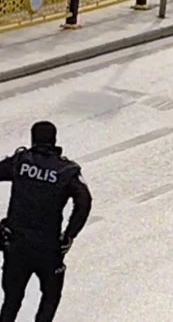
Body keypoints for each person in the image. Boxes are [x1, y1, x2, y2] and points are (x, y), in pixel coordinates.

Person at [0, 121, 92, 322]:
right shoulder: (67, 170)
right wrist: (69, 236)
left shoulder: (20, 161)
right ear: (54, 140)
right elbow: (84, 202)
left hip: (16, 246)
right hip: (49, 248)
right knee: (50, 297)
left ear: (33, 139)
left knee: (11, 301)